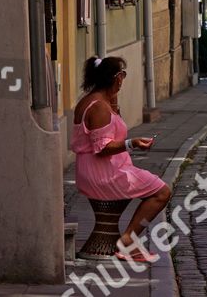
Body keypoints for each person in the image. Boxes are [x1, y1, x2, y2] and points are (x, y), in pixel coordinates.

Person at [70, 57, 172, 262]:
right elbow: (102, 147)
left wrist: (114, 102)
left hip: (101, 170)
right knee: (162, 192)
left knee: (152, 186)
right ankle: (127, 241)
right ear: (116, 78)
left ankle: (123, 241)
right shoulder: (98, 106)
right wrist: (131, 143)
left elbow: (112, 130)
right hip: (103, 174)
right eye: (122, 75)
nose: (123, 81)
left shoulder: (98, 100)